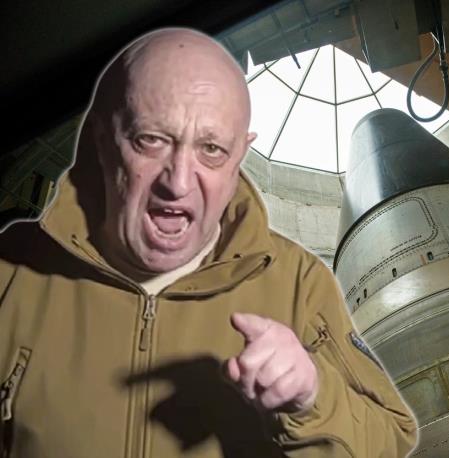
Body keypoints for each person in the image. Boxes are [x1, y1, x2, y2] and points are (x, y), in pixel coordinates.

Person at [0, 28, 418, 457]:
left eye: (212, 149)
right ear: (104, 139)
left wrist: (313, 396)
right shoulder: (14, 269)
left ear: (240, 154)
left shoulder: (298, 281)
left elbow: (391, 437)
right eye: (151, 139)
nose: (178, 183)